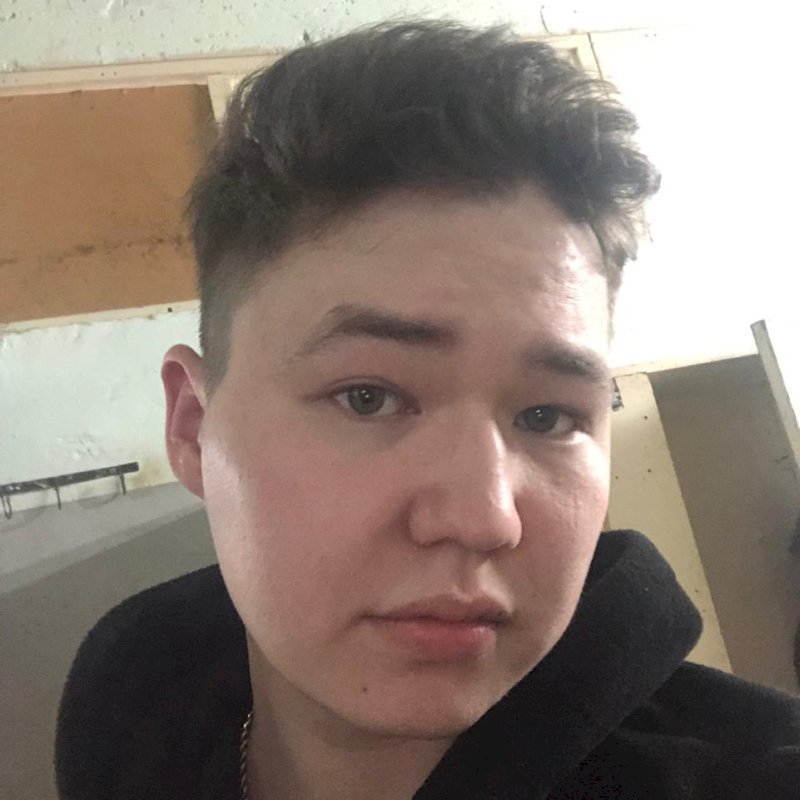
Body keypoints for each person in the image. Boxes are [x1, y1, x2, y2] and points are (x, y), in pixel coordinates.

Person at [55, 20, 800, 800]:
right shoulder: (129, 719)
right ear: (193, 428)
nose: (483, 519)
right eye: (369, 398)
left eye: (547, 416)